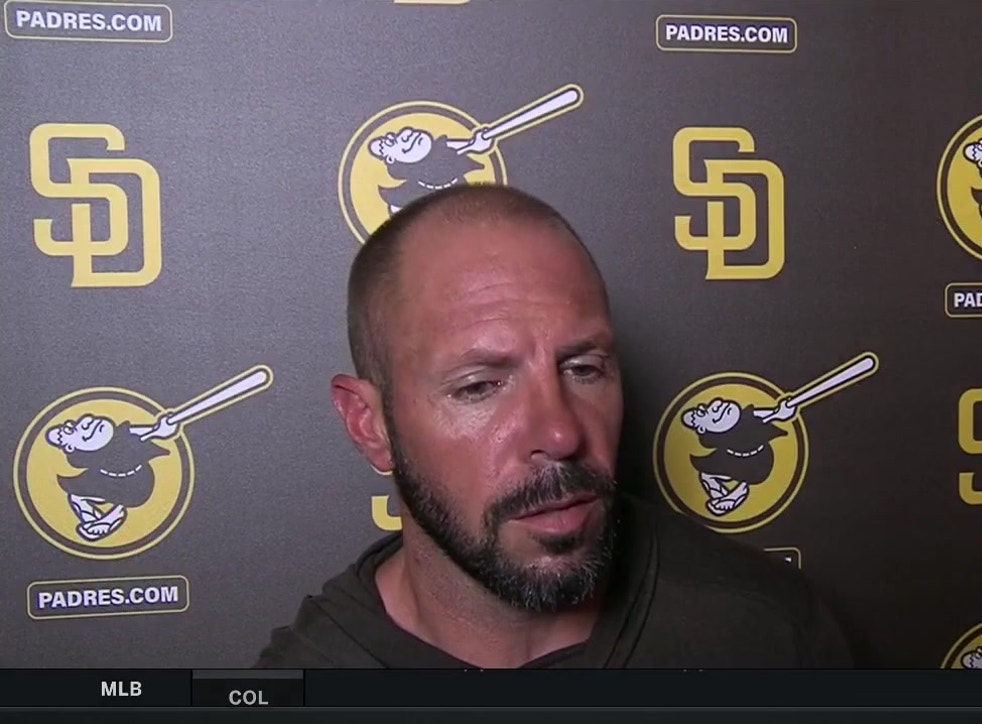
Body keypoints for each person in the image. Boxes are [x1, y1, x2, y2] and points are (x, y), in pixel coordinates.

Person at [252, 184, 855, 669]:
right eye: (480, 387)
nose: (562, 435)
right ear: (370, 425)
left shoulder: (765, 634)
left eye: (584, 369)